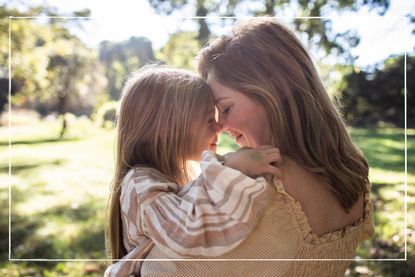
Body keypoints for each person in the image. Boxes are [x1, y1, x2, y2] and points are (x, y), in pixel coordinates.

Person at [139, 18, 374, 276]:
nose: (222, 127)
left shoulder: (260, 183)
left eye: (226, 109)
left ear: (273, 87)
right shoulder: (355, 175)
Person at [104, 66, 283, 276]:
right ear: (166, 129)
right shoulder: (139, 184)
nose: (220, 127)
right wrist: (234, 169)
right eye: (209, 120)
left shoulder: (162, 178)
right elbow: (185, 232)